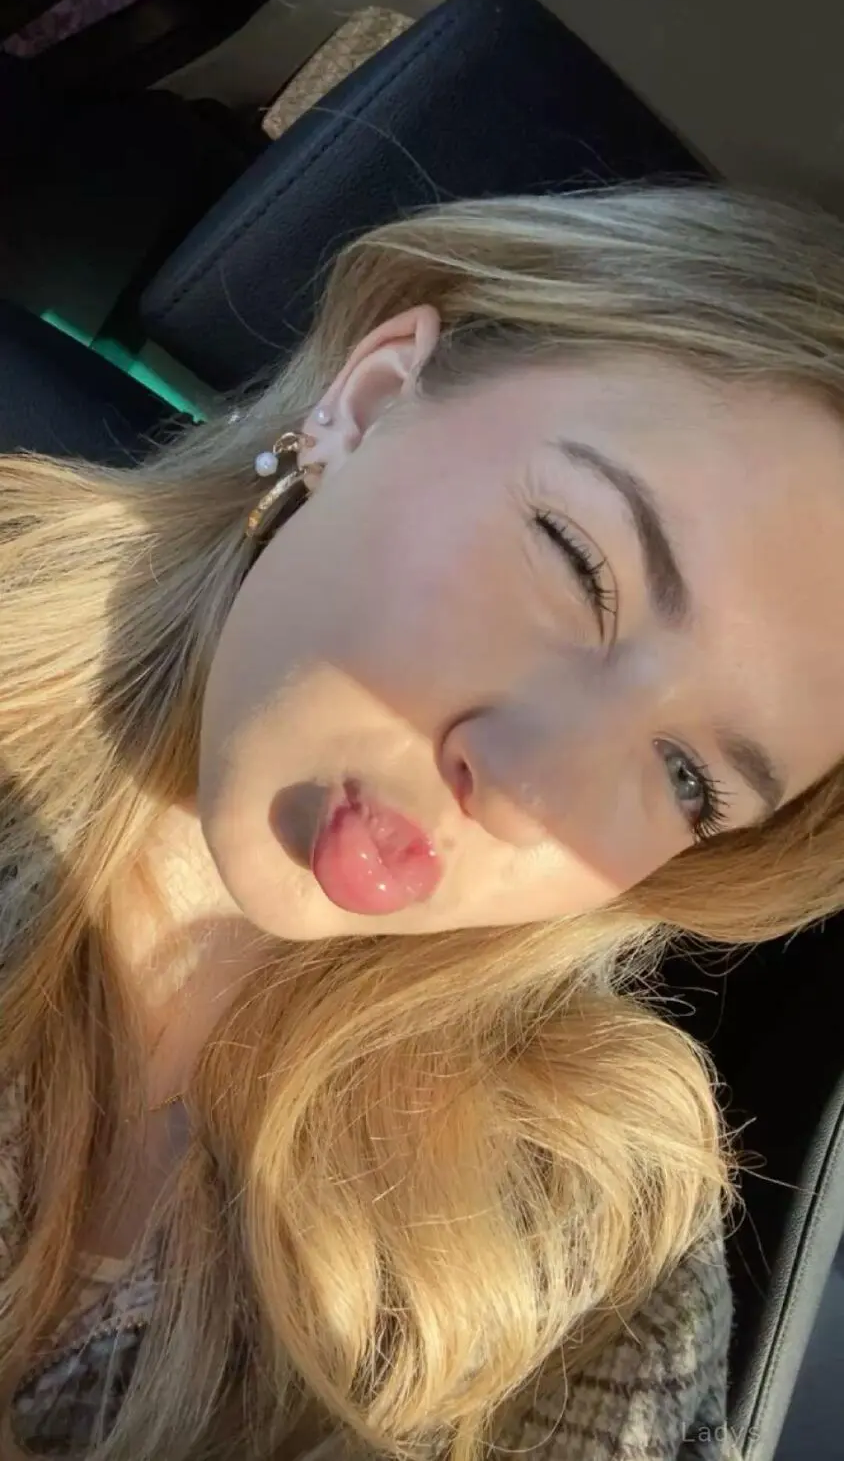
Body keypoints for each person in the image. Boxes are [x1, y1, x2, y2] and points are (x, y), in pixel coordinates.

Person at [3, 182, 844, 1461]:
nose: (528, 791)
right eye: (582, 566)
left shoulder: (589, 1232)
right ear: (371, 397)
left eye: (687, 778)